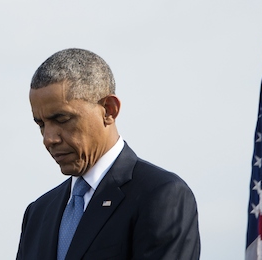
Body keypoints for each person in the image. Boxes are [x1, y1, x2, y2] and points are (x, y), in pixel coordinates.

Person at [16, 48, 200, 260]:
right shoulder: (38, 213)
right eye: (41, 124)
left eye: (62, 119)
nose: (48, 138)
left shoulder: (162, 195)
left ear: (109, 110)